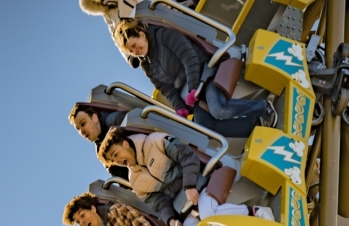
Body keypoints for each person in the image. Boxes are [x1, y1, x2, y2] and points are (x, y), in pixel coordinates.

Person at [98, 127, 274, 226]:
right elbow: (158, 203)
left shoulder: (155, 141)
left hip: (201, 181)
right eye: (114, 161)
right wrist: (171, 219)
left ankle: (257, 212)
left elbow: (187, 157)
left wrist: (189, 186)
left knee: (208, 214)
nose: (118, 161)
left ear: (125, 143)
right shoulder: (135, 182)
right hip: (185, 207)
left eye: (116, 154)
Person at [113, 19, 274, 138]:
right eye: (131, 51)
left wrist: (193, 87)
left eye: (134, 45)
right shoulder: (146, 66)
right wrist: (179, 108)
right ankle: (255, 125)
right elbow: (166, 90)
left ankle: (263, 108)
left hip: (204, 72)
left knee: (218, 109)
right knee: (204, 126)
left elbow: (189, 57)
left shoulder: (163, 36)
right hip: (191, 94)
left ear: (141, 34)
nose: (135, 51)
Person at [68, 101, 128, 177]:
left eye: (83, 124)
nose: (81, 131)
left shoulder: (115, 121)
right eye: (78, 129)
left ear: (94, 118)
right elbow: (117, 173)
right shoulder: (100, 149)